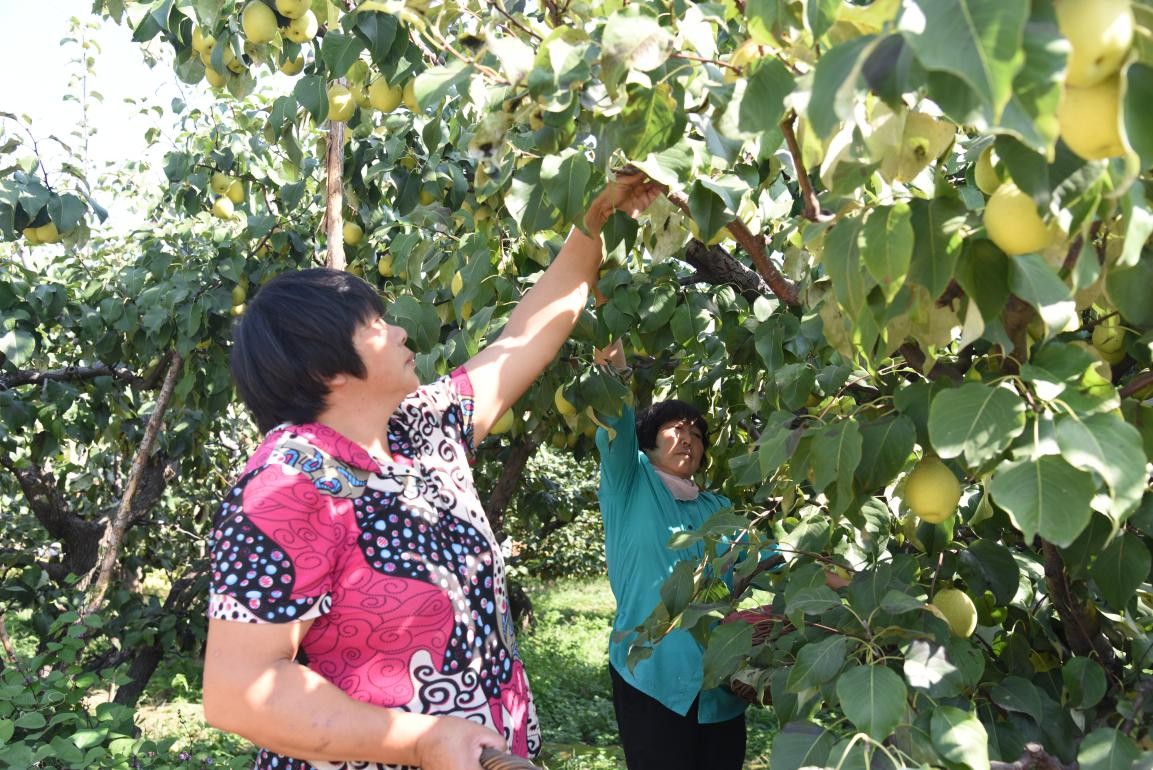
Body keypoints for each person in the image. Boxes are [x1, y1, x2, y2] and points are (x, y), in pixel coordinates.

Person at [201, 172, 661, 770]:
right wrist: (419, 741)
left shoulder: (421, 430)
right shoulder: (289, 484)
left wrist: (594, 218)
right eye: (373, 325)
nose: (398, 331)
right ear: (326, 370)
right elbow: (242, 692)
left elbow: (526, 338)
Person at [591, 338, 750, 770]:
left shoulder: (717, 508)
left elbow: (763, 557)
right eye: (676, 429)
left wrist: (836, 576)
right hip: (651, 677)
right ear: (648, 440)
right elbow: (615, 411)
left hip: (720, 688)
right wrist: (611, 337)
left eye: (697, 434)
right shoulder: (630, 479)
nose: (688, 439)